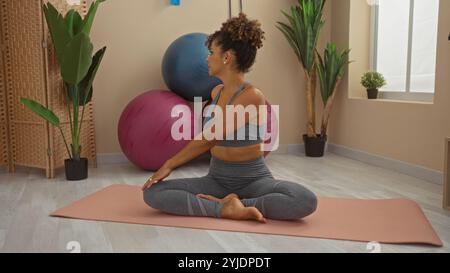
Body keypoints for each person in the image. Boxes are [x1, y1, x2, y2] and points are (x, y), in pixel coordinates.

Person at [142, 13, 317, 223]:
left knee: (304, 200)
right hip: (216, 179)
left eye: (211, 52)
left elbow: (210, 137)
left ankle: (238, 205)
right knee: (152, 193)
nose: (206, 58)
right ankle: (224, 207)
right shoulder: (216, 93)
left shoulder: (252, 95)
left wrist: (169, 164)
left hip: (254, 181)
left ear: (226, 57)